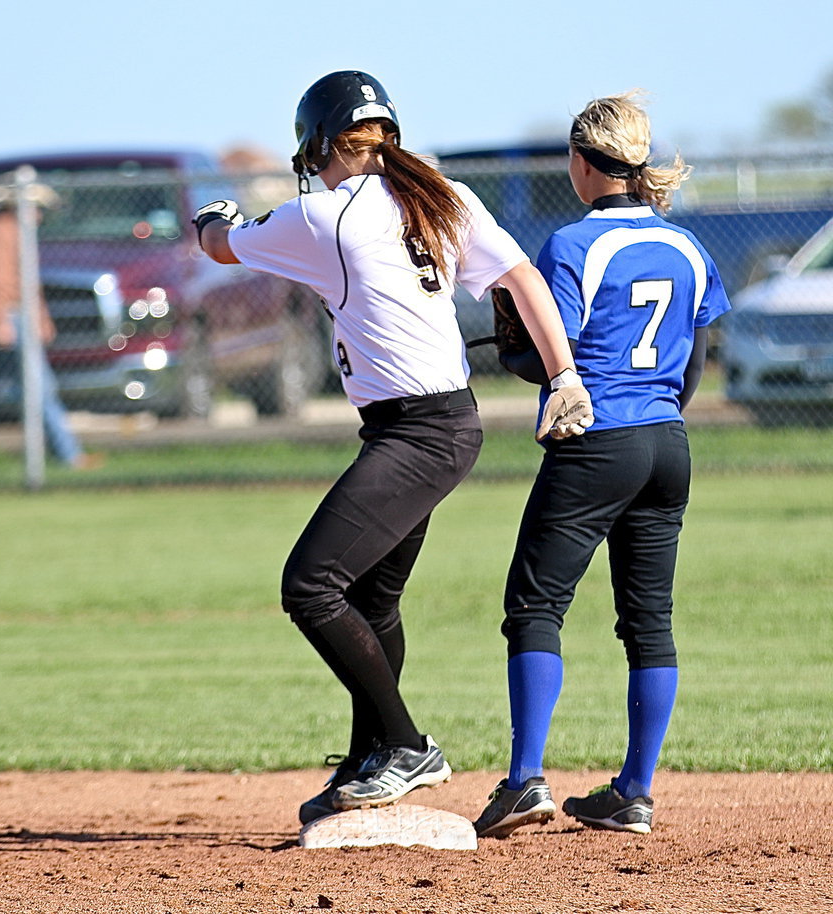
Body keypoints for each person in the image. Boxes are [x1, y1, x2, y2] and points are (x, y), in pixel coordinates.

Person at [194, 70, 593, 825]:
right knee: (371, 595)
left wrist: (213, 215)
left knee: (310, 586)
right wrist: (564, 375)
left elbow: (223, 249)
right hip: (437, 423)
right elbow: (521, 280)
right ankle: (366, 760)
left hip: (420, 432)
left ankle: (406, 746)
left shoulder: (322, 217)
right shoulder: (441, 194)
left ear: (316, 145)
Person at [472, 91, 732, 839]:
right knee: (649, 624)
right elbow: (690, 366)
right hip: (667, 443)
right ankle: (634, 792)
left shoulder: (572, 245)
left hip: (596, 439)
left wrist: (513, 345)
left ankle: (525, 780)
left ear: (583, 164)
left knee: (535, 606)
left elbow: (552, 360)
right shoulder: (688, 247)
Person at [0, 204, 98, 471]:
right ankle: (69, 455)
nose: (40, 213)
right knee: (40, 387)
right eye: (36, 207)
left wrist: (41, 318)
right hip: (9, 316)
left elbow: (28, 282)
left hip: (20, 314)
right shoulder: (0, 231)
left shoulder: (20, 231)